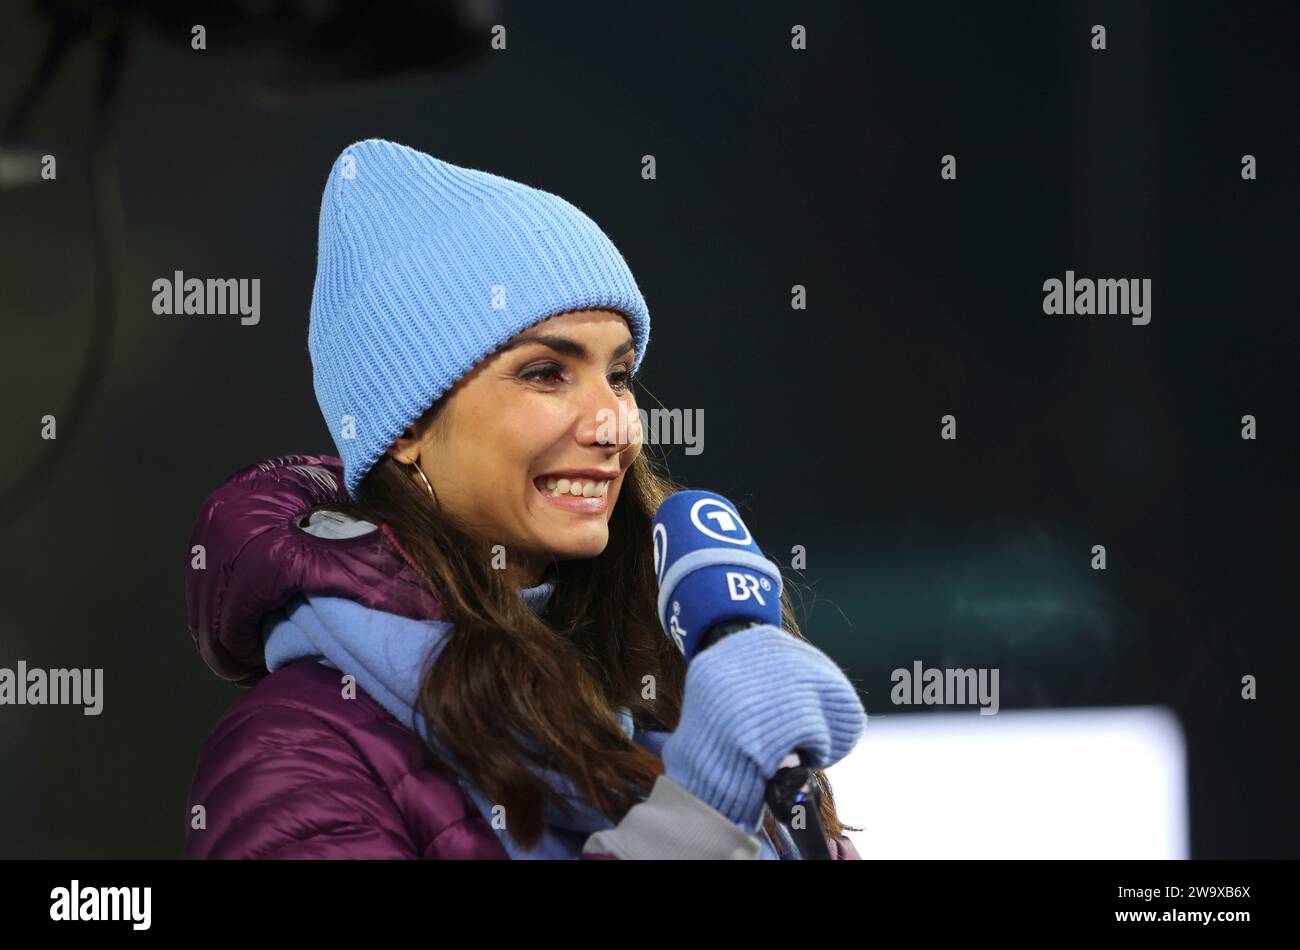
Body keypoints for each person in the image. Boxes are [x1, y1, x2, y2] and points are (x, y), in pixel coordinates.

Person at [182, 138, 867, 859]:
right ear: (407, 423)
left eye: (620, 374)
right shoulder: (294, 753)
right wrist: (697, 818)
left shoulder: (666, 680)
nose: (617, 425)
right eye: (546, 372)